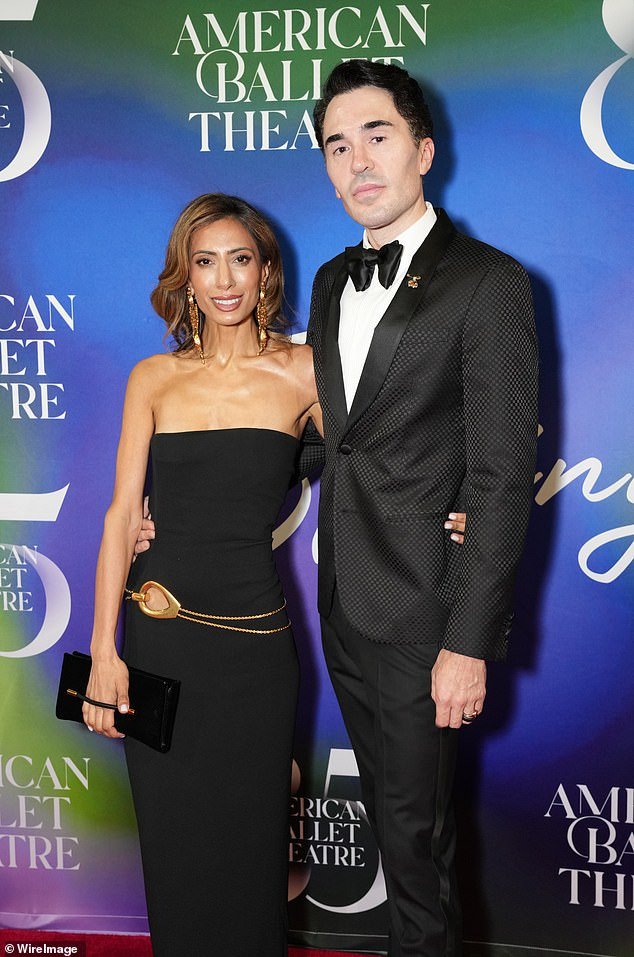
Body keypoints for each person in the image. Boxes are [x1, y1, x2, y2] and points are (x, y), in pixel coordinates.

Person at [304, 61, 539, 956]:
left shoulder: (490, 282)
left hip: (425, 614)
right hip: (344, 604)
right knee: (399, 839)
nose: (358, 161)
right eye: (338, 144)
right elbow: (336, 439)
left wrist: (467, 641)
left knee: (417, 848)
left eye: (378, 136)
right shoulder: (329, 281)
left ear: (423, 150)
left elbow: (501, 474)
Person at [82, 193, 320, 957]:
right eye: (206, 261)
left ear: (265, 272)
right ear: (184, 276)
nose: (224, 280)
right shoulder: (152, 377)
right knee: (176, 851)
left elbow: (384, 459)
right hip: (157, 641)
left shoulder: (306, 372)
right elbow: (122, 514)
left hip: (254, 649)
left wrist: (456, 506)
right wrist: (104, 652)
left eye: (240, 259)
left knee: (249, 857)